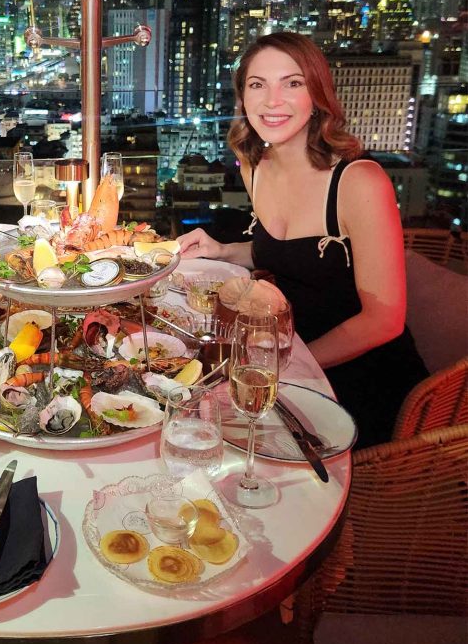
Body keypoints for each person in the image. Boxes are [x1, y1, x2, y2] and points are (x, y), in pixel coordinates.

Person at [178, 32, 426, 447]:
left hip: (362, 381)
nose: (273, 100)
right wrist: (223, 250)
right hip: (287, 358)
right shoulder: (254, 167)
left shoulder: (359, 181)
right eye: (258, 85)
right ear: (243, 98)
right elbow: (289, 254)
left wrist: (287, 365)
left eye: (292, 83)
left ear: (317, 95)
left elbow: (383, 321)